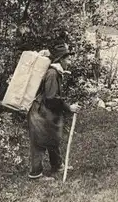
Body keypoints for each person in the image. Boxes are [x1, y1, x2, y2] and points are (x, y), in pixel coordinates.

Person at [27, 43, 81, 180]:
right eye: (68, 58)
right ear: (61, 60)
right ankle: (36, 174)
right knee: (39, 142)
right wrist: (69, 107)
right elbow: (51, 98)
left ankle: (57, 165)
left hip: (45, 111)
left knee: (52, 137)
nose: (70, 61)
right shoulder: (52, 74)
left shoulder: (56, 72)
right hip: (40, 112)